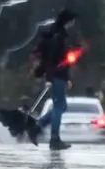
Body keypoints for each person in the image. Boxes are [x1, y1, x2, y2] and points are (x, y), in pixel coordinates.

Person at [27, 9, 78, 150]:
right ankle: (54, 139)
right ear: (68, 21)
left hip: (59, 75)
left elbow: (63, 60)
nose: (73, 24)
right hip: (56, 75)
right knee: (58, 106)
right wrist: (50, 78)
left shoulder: (59, 35)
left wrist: (67, 77)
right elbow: (51, 59)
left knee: (61, 106)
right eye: (72, 20)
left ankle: (37, 128)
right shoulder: (58, 37)